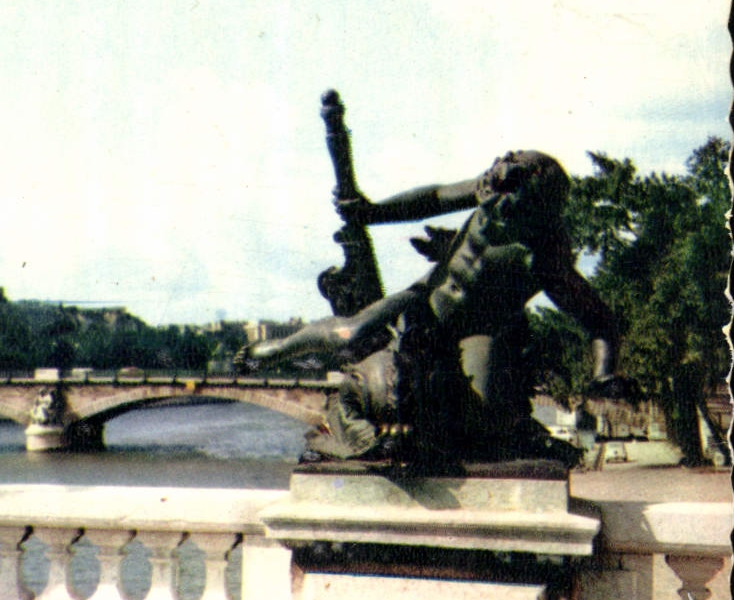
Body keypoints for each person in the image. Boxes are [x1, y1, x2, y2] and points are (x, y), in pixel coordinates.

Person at [240, 150, 624, 465]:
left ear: (535, 219)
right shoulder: (494, 187)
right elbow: (434, 198)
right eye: (488, 206)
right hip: (425, 300)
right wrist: (372, 213)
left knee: (485, 417)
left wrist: (604, 374)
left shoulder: (546, 257)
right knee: (352, 331)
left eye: (506, 217)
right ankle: (276, 349)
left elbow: (599, 321)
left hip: (478, 329)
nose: (490, 217)